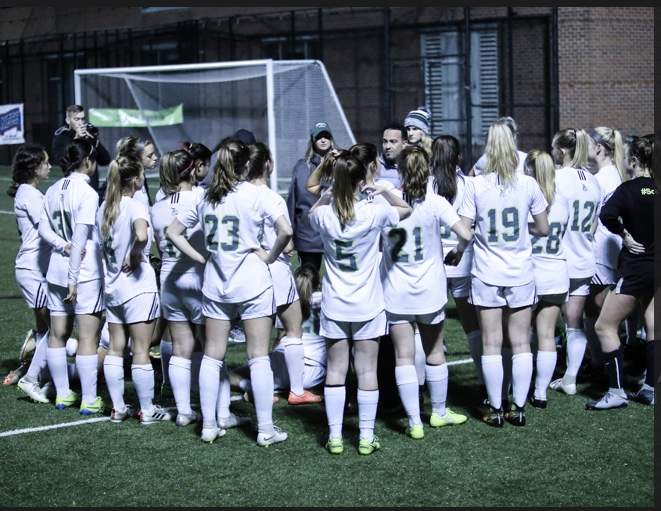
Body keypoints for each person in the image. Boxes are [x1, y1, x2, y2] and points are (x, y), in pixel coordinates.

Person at [165, 138, 293, 446]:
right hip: (252, 283)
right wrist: (270, 256)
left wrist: (201, 257)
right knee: (258, 356)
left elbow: (172, 232)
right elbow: (286, 231)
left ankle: (209, 425)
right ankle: (265, 430)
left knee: (212, 356)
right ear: (247, 165)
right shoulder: (259, 194)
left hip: (217, 283)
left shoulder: (205, 196)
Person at [309, 150, 411, 455]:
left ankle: (336, 437)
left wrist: (328, 195)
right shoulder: (373, 212)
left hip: (335, 305)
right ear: (359, 182)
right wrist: (384, 190)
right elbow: (404, 209)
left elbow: (312, 212)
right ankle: (366, 437)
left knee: (336, 371)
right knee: (367, 371)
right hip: (367, 304)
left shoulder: (325, 216)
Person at [456, 119, 549, 427]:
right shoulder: (528, 183)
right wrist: (526, 229)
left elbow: (465, 230)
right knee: (521, 341)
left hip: (486, 273)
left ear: (489, 148)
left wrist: (458, 249)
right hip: (520, 272)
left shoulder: (475, 184)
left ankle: (496, 409)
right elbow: (544, 228)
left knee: (491, 342)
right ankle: (519, 408)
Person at [380, 145, 473, 439]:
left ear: (400, 171)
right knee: (434, 352)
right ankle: (439, 412)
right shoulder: (436, 202)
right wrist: (458, 252)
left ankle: (414, 422)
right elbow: (467, 234)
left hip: (395, 290)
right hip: (430, 291)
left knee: (403, 357)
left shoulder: (386, 203)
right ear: (428, 170)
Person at [98, 154, 171, 425]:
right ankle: (148, 410)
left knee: (116, 348)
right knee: (141, 349)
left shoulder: (104, 207)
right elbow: (141, 236)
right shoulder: (135, 206)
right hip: (138, 289)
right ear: (136, 179)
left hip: (113, 288)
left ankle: (118, 408)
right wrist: (136, 253)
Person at [248, 141, 322, 405]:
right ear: (268, 164)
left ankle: (261, 390)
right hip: (274, 268)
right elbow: (287, 239)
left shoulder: (238, 195)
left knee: (257, 341)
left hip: (247, 273)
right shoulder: (270, 197)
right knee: (293, 329)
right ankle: (297, 390)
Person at [585, 135, 656, 409]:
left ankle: (616, 393)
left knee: (604, 326)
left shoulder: (627, 190)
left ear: (635, 160)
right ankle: (650, 388)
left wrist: (624, 234)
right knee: (653, 326)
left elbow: (606, 215)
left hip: (636, 269)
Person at [38, 138, 105, 414]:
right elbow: (80, 239)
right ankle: (89, 399)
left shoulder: (52, 189)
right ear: (87, 161)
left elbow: (44, 229)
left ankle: (63, 394)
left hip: (55, 270)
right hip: (82, 274)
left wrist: (58, 245)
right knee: (88, 337)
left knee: (58, 334)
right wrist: (74, 278)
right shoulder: (88, 193)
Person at [150, 149, 207, 427]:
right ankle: (217, 412)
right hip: (198, 278)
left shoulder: (157, 206)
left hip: (169, 281)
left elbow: (157, 246)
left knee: (180, 346)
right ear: (193, 169)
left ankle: (184, 411)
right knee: (211, 348)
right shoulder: (200, 198)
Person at [548, 128, 604, 396]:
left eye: (553, 149)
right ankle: (569, 377)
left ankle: (534, 381)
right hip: (584, 258)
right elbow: (594, 224)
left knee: (541, 322)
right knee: (574, 321)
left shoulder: (557, 177)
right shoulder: (593, 181)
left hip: (557, 259)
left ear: (562, 151)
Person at [429, 135, 484, 401]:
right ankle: (485, 381)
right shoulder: (470, 184)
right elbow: (472, 225)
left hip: (433, 263)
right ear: (459, 157)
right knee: (472, 326)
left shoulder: (426, 185)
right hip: (463, 259)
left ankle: (423, 387)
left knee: (428, 327)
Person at [229, 263, 327, 400]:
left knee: (231, 375)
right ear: (318, 284)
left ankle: (251, 387)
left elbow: (280, 336)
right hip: (314, 370)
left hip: (282, 357)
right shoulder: (327, 300)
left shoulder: (288, 301)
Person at [6, 144, 53, 403]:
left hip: (34, 268)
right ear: (34, 168)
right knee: (56, 329)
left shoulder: (28, 191)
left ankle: (39, 371)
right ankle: (30, 378)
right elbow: (51, 226)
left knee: (47, 328)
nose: (49, 165)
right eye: (45, 162)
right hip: (33, 270)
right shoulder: (31, 195)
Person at [524, 150, 571, 408]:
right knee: (546, 334)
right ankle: (540, 392)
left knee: (520, 335)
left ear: (530, 170)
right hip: (556, 272)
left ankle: (514, 387)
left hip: (530, 273)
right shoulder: (562, 199)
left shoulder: (526, 196)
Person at [582, 127, 627, 375]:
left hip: (601, 249)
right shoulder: (608, 174)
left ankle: (608, 365)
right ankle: (599, 361)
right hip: (604, 248)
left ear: (598, 148)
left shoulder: (603, 178)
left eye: (588, 143)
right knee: (593, 308)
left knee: (601, 310)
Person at [286, 121, 339, 274]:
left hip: (335, 232)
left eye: (326, 136)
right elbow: (292, 202)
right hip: (308, 235)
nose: (323, 140)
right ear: (313, 141)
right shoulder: (302, 167)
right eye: (319, 137)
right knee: (308, 280)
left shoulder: (341, 163)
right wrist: (290, 235)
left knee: (338, 280)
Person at [51, 104, 111, 194]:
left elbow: (105, 160)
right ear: (68, 120)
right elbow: (62, 161)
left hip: (91, 188)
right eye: (76, 119)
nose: (80, 123)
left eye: (82, 119)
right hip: (73, 190)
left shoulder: (88, 136)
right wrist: (76, 139)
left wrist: (94, 142)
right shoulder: (61, 139)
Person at [112, 136, 159, 210]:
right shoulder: (127, 180)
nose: (155, 158)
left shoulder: (141, 176)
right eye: (150, 156)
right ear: (136, 159)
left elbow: (145, 207)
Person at [379, 122, 408, 188]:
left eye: (393, 142)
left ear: (404, 144)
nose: (387, 146)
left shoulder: (413, 167)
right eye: (385, 141)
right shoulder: (374, 168)